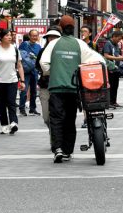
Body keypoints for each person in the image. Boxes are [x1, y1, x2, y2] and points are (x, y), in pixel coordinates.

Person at [40, 15, 105, 163]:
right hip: (73, 88)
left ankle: (57, 149)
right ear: (74, 28)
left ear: (61, 28)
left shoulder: (53, 44)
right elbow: (97, 60)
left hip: (56, 88)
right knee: (70, 119)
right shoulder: (80, 44)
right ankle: (68, 151)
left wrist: (53, 71)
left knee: (56, 119)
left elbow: (43, 63)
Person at [0, 29, 25, 135]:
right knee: (1, 104)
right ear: (1, 37)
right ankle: (4, 125)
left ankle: (14, 123)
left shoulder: (15, 49)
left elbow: (19, 66)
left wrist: (22, 80)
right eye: (7, 35)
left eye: (10, 35)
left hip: (12, 80)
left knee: (11, 102)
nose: (9, 37)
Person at [36, 27, 62, 151]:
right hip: (45, 86)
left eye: (55, 37)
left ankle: (56, 139)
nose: (52, 39)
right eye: (49, 37)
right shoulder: (42, 51)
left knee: (58, 115)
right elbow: (38, 66)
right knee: (46, 117)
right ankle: (54, 135)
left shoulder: (63, 51)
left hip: (60, 87)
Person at [18, 29, 41, 116]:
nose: (34, 37)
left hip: (34, 71)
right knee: (24, 90)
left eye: (36, 35)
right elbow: (21, 57)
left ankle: (32, 108)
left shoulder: (38, 46)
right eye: (33, 35)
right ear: (29, 36)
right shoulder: (24, 44)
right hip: (26, 71)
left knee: (34, 91)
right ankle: (22, 108)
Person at [103, 30, 123, 109]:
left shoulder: (116, 45)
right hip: (109, 68)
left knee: (115, 86)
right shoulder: (108, 44)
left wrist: (122, 58)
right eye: (118, 39)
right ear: (114, 37)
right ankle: (109, 102)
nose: (119, 41)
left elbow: (116, 54)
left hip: (116, 68)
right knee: (110, 85)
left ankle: (114, 101)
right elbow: (106, 55)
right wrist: (117, 58)